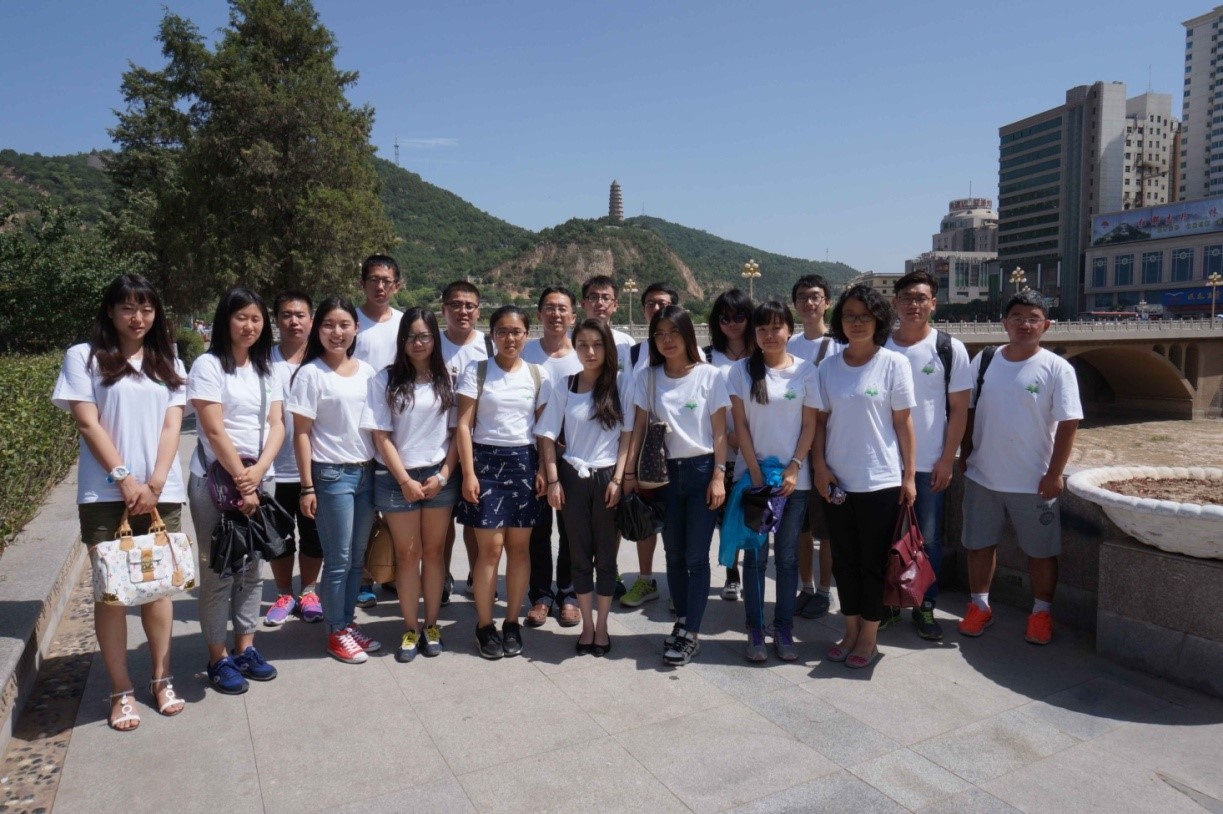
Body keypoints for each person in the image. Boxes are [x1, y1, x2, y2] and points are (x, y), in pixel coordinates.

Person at [53, 274, 189, 730]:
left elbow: (172, 425)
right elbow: (87, 422)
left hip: (160, 492)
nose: (138, 317)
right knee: (111, 592)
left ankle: (161, 679)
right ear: (110, 311)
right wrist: (124, 479)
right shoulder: (84, 357)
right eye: (128, 308)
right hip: (104, 493)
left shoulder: (168, 360)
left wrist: (154, 482)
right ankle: (121, 689)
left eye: (146, 308)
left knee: (158, 587)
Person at [958, 290, 1082, 646]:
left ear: (1046, 325)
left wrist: (1055, 473)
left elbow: (1069, 423)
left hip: (1034, 482)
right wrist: (965, 453)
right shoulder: (984, 360)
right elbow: (968, 410)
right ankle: (979, 606)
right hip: (982, 476)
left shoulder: (1058, 368)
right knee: (979, 546)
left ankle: (1041, 613)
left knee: (1041, 552)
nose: (1024, 324)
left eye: (1033, 318)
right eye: (1017, 317)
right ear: (1004, 323)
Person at [813, 284, 916, 670]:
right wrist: (820, 466)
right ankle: (849, 629)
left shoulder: (893, 364)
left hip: (880, 482)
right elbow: (819, 422)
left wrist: (909, 476)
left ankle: (869, 637)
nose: (856, 323)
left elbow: (904, 424)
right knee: (843, 561)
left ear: (878, 320)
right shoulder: (828, 368)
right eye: (849, 316)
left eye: (865, 316)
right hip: (838, 482)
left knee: (873, 563)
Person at [188, 287, 285, 694]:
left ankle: (246, 647)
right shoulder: (208, 366)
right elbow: (213, 429)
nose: (249, 325)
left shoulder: (268, 370)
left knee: (252, 569)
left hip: (260, 479)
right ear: (225, 320)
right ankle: (218, 657)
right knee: (218, 571)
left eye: (256, 318)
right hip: (215, 482)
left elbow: (277, 425)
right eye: (241, 317)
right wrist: (243, 479)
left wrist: (258, 473)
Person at [625, 305, 730, 666]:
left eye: (673, 332)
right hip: (663, 475)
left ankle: (691, 633)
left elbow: (720, 432)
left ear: (687, 335)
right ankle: (683, 622)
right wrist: (629, 474)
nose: (667, 340)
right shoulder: (648, 377)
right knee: (673, 554)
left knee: (696, 556)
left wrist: (719, 475)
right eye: (659, 334)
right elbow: (638, 427)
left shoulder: (709, 375)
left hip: (701, 471)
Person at [363, 308, 460, 661]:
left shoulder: (448, 379)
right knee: (407, 556)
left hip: (438, 477)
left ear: (435, 338)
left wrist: (444, 475)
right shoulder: (385, 380)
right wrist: (404, 479)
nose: (417, 343)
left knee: (434, 553)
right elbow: (381, 436)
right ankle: (409, 627)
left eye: (424, 336)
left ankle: (431, 625)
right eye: (410, 337)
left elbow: (456, 434)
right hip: (395, 478)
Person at [288, 298, 380, 664]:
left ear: (356, 328)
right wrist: (307, 486)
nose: (337, 332)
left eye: (344, 325)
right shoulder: (310, 374)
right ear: (317, 329)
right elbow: (301, 434)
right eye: (329, 325)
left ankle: (347, 622)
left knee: (357, 558)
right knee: (338, 558)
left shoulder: (368, 372)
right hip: (331, 475)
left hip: (366, 473)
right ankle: (335, 631)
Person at [882, 271, 971, 640]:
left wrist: (947, 458)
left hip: (928, 462)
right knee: (883, 536)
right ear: (895, 303)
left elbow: (959, 410)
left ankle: (925, 604)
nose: (913, 304)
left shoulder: (949, 348)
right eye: (906, 297)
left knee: (928, 539)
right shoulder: (880, 345)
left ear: (933, 303)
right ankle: (887, 603)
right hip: (883, 463)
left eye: (921, 298)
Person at [727, 301, 818, 662]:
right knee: (754, 558)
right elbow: (740, 425)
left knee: (787, 558)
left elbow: (810, 425)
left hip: (794, 482)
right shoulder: (740, 371)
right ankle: (754, 628)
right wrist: (755, 473)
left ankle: (783, 629)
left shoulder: (806, 371)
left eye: (776, 327)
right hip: (754, 480)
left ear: (789, 331)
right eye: (762, 329)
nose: (769, 335)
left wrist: (795, 467)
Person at [455, 305, 547, 659]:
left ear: (527, 335)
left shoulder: (537, 374)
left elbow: (543, 431)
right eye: (503, 331)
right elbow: (464, 425)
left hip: (524, 464)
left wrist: (543, 469)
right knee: (490, 550)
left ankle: (511, 622)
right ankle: (484, 625)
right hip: (486, 463)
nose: (510, 338)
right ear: (492, 335)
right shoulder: (477, 371)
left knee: (520, 549)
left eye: (517, 331)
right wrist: (468, 473)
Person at [537, 319, 632, 656]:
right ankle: (587, 627)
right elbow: (547, 435)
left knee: (606, 558)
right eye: (582, 345)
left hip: (608, 479)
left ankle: (602, 627)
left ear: (608, 347)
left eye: (597, 344)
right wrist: (553, 480)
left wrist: (619, 479)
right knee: (578, 557)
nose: (590, 352)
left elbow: (627, 436)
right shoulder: (566, 385)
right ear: (574, 348)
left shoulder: (621, 383)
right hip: (572, 478)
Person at [618, 282, 688, 610]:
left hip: (683, 451)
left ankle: (680, 584)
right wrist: (629, 465)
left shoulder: (693, 354)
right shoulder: (634, 353)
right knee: (645, 517)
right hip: (647, 449)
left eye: (663, 303)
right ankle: (646, 579)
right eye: (650, 304)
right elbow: (631, 407)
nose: (656, 309)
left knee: (681, 523)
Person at [522, 286, 583, 628]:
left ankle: (569, 594)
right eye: (549, 307)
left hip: (573, 453)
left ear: (573, 316)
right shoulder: (526, 351)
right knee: (538, 528)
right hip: (532, 451)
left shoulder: (582, 354)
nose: (556, 314)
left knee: (572, 527)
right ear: (539, 314)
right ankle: (541, 595)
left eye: (562, 309)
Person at [264, 291, 324, 626]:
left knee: (315, 536)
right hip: (274, 468)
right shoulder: (263, 361)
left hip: (316, 467)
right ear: (276, 320)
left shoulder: (322, 359)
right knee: (279, 537)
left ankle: (310, 591)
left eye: (300, 315)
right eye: (286, 315)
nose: (294, 321)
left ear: (311, 320)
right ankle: (284, 594)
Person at [352, 254, 404, 606]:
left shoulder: (403, 323)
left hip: (398, 429)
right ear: (363, 284)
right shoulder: (351, 323)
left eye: (387, 281)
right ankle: (363, 577)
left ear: (396, 285)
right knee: (365, 511)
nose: (380, 286)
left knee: (396, 510)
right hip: (357, 429)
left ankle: (393, 572)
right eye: (374, 280)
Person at [787, 275, 840, 620]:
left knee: (827, 529)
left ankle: (824, 590)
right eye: (803, 297)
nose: (809, 303)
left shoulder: (839, 345)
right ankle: (805, 586)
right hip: (794, 447)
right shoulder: (788, 343)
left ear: (827, 302)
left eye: (816, 297)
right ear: (795, 304)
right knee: (801, 528)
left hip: (828, 447)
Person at [438, 280, 491, 604]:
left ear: (478, 311)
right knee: (441, 519)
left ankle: (476, 575)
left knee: (476, 516)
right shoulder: (432, 343)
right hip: (438, 444)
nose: (463, 311)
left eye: (469, 305)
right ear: (443, 309)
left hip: (477, 445)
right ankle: (441, 577)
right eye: (456, 305)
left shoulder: (489, 345)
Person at [706, 289, 755, 601]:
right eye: (725, 318)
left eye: (739, 316)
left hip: (757, 448)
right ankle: (731, 573)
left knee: (752, 513)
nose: (732, 323)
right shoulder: (707, 356)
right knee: (726, 519)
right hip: (721, 448)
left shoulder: (762, 353)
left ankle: (753, 571)